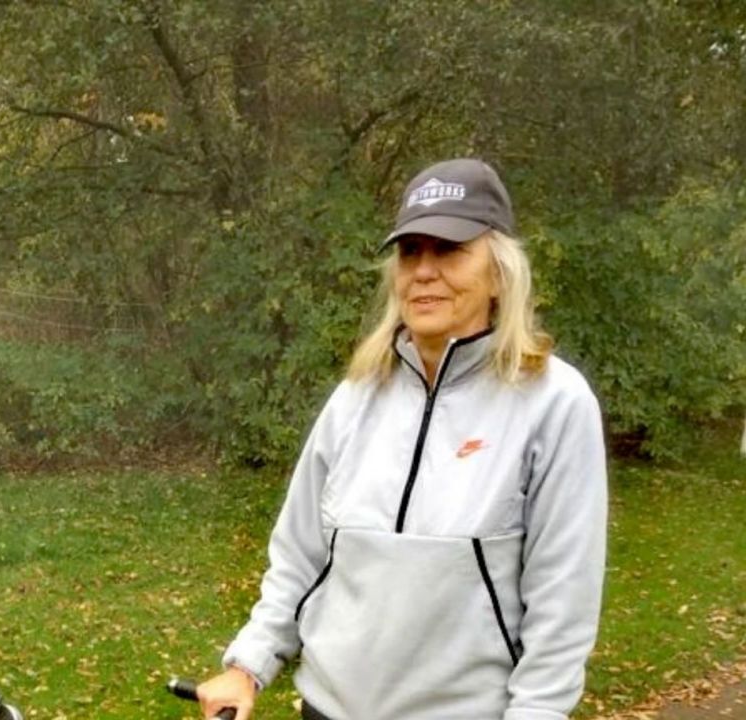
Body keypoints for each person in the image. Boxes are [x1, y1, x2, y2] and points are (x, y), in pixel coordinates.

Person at [196, 158, 608, 720]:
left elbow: (563, 599)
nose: (424, 271)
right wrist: (247, 665)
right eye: (411, 251)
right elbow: (300, 557)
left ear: (499, 273)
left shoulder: (554, 402)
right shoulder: (357, 396)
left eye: (450, 250)